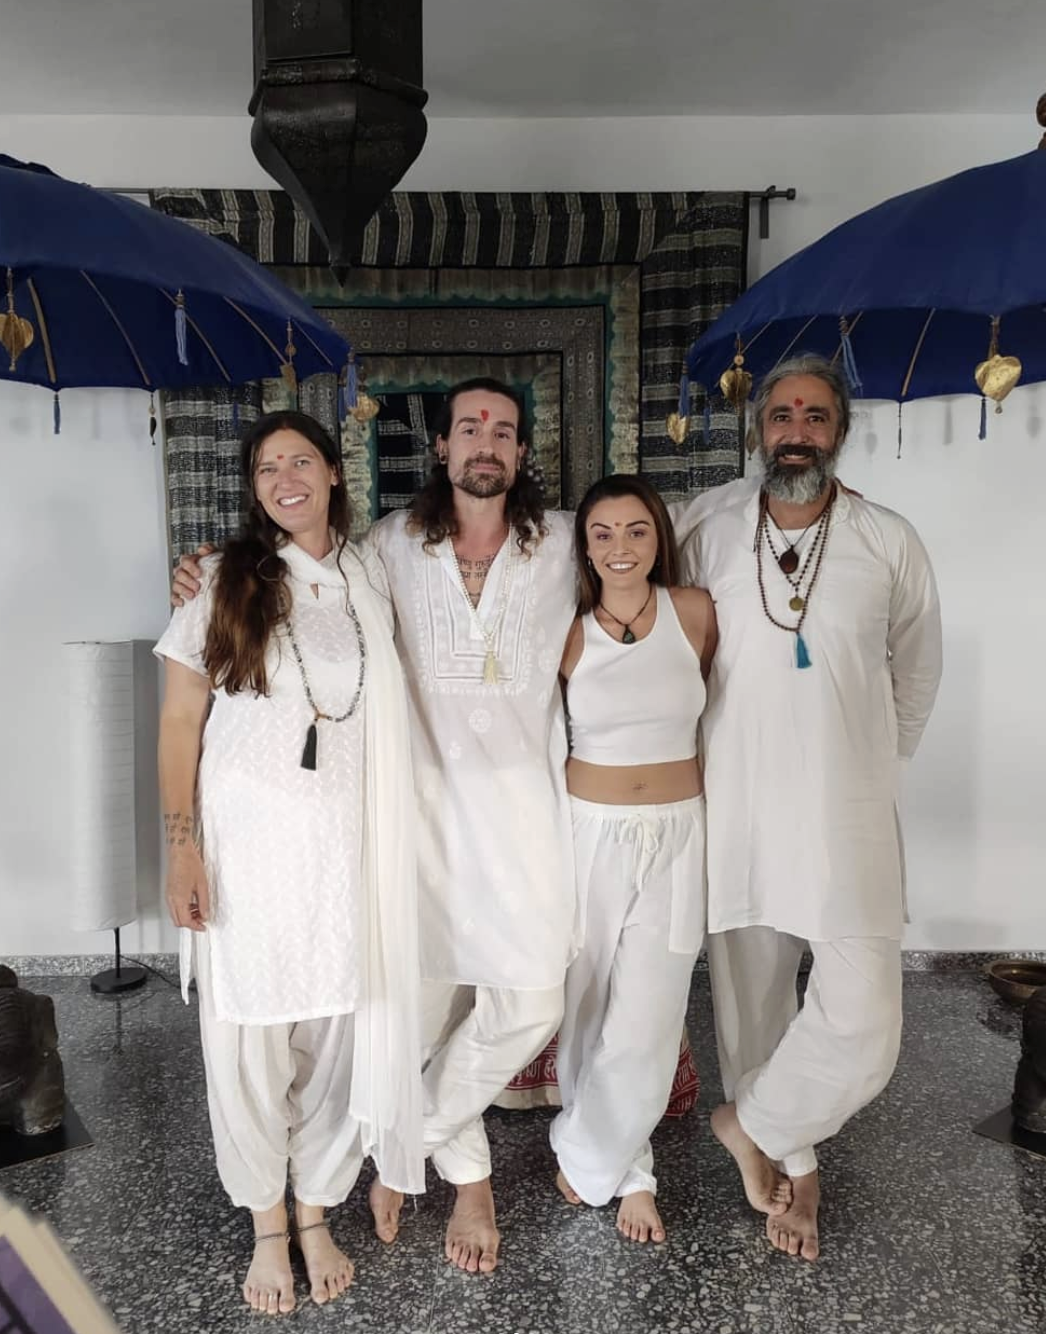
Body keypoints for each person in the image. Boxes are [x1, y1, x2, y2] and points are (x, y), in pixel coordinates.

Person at [173, 379, 577, 1275]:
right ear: (438, 445)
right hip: (404, 837)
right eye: (468, 425)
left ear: (521, 453)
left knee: (528, 1000)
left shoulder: (567, 546)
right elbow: (197, 691)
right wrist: (205, 571)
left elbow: (646, 559)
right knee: (402, 1019)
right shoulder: (389, 548)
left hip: (515, 830)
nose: (484, 441)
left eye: (503, 431)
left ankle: (402, 1141)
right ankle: (424, 1184)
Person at [675, 354, 943, 1262]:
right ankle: (795, 1164)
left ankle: (748, 1121)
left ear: (839, 432)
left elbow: (917, 672)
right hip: (736, 803)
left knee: (864, 1021)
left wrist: (868, 766)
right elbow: (606, 565)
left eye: (816, 415)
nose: (797, 429)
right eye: (782, 413)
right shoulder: (704, 524)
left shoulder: (886, 538)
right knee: (752, 1009)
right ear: (759, 428)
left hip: (845, 810)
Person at [156, 411, 423, 1315]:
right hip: (247, 853)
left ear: (335, 474)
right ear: (255, 487)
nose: (284, 478)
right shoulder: (223, 580)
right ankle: (269, 1225)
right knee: (249, 1043)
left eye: (300, 460)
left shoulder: (366, 572)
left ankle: (317, 1209)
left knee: (337, 1035)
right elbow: (178, 726)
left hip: (343, 852)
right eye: (267, 467)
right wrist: (182, 851)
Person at [550, 475, 722, 1245]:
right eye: (603, 534)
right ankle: (631, 1173)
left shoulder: (695, 615)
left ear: (659, 537)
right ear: (584, 548)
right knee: (587, 1003)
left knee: (651, 1014)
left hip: (679, 831)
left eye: (636, 531)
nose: (621, 548)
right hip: (589, 831)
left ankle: (588, 1157)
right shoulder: (566, 631)